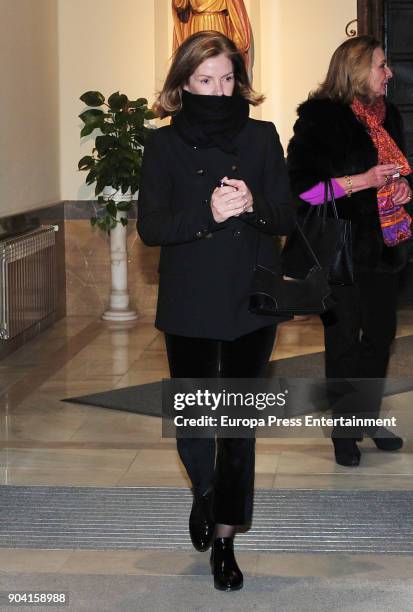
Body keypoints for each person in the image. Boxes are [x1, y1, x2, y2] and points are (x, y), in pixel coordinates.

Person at [138, 30, 294, 591]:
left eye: (227, 79)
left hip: (251, 300)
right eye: (206, 80)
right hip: (190, 302)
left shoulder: (261, 137)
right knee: (197, 423)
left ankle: (225, 539)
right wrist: (207, 212)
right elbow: (152, 227)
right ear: (183, 84)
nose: (218, 90)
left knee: (238, 427)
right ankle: (205, 492)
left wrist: (253, 206)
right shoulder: (162, 146)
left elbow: (285, 216)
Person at [287, 35, 412, 467]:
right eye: (382, 65)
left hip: (383, 248)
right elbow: (302, 190)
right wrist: (363, 181)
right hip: (338, 251)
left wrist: (401, 187)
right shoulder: (320, 119)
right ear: (357, 69)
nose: (389, 73)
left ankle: (366, 417)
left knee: (379, 338)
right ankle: (344, 433)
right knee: (343, 341)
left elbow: (394, 173)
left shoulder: (388, 116)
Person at [172, 0, 252, 70]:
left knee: (218, 59)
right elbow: (180, 5)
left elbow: (236, 10)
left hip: (218, 22)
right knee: (198, 62)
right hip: (198, 23)